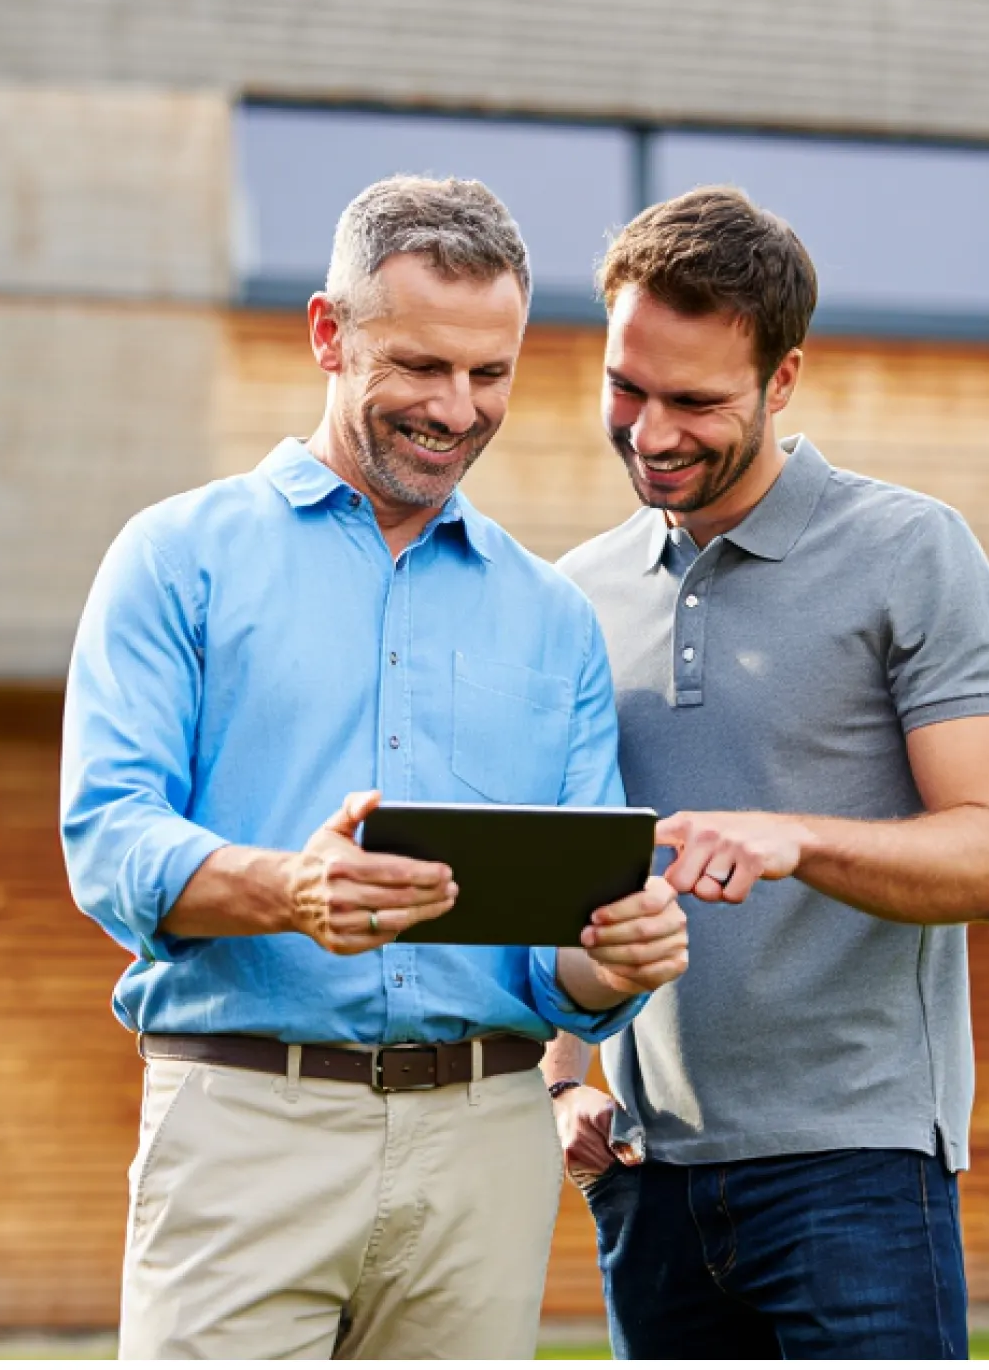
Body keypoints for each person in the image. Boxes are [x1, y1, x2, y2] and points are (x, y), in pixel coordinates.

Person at [62, 176, 688, 1361]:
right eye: (419, 368)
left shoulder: (552, 621)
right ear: (325, 336)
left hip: (485, 1149)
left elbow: (564, 958)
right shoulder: (175, 560)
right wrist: (283, 891)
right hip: (248, 1123)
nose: (457, 409)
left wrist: (617, 965)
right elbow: (107, 839)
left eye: (489, 375)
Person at [542, 185, 989, 1361]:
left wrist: (795, 838)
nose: (651, 433)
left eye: (696, 401)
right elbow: (571, 860)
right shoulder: (574, 592)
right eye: (627, 389)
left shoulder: (910, 552)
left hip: (854, 1172)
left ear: (783, 380)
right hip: (648, 1176)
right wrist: (564, 1079)